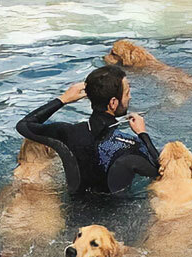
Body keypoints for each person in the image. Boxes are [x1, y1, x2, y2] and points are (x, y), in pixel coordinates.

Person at [16, 65, 160, 195]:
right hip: (118, 214)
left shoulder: (67, 133)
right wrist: (143, 134)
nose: (130, 97)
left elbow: (24, 124)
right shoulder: (130, 145)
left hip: (72, 212)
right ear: (113, 103)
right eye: (127, 93)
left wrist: (63, 99)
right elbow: (161, 171)